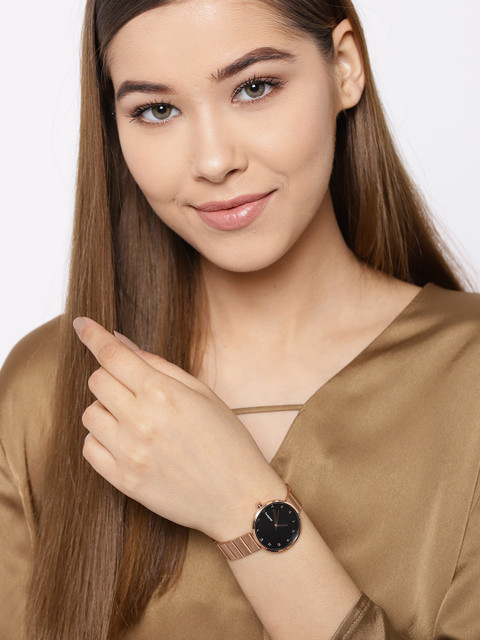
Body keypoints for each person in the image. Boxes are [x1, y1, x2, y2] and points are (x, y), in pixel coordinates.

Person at [0, 0, 478, 638]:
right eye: (157, 110)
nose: (214, 160)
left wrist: (242, 507)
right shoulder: (48, 389)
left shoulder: (468, 377)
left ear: (343, 67)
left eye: (254, 88)